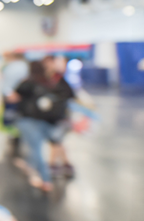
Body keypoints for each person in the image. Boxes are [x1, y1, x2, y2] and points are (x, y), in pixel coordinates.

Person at [11, 59, 87, 192]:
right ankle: (53, 167)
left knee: (40, 147)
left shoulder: (35, 82)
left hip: (40, 120)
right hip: (51, 120)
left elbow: (14, 97)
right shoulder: (49, 81)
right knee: (52, 143)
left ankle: (46, 178)